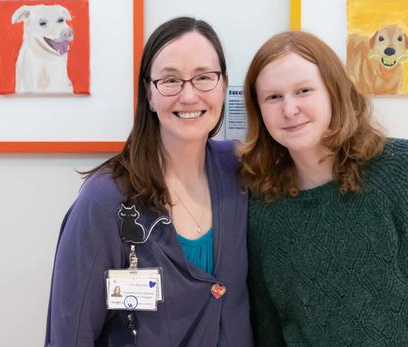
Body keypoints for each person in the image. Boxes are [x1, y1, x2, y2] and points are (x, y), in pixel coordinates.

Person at [238, 31, 408, 346]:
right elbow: (267, 328)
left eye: (303, 91)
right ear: (258, 110)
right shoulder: (262, 206)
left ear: (333, 91)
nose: (289, 109)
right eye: (273, 97)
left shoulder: (403, 169)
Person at [45, 17, 253, 346]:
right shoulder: (105, 201)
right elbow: (69, 335)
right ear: (149, 93)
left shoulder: (242, 173)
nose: (188, 96)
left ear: (224, 85)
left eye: (204, 78)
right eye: (170, 80)